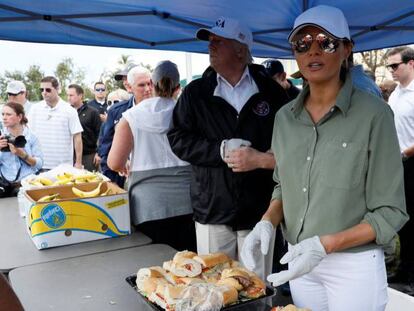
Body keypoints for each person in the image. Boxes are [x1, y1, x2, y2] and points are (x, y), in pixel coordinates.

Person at [241, 5, 408, 310]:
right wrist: (267, 221)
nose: (313, 51)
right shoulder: (284, 119)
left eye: (325, 41)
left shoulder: (375, 115)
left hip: (353, 265)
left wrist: (326, 245)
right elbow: (283, 185)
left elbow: (390, 211)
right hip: (299, 258)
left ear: (346, 49)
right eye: (302, 44)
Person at [167, 16, 289, 279]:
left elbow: (290, 143)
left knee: (256, 288)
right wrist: (219, 150)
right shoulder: (196, 92)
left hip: (260, 209)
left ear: (240, 49)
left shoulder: (272, 92)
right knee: (213, 288)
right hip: (212, 209)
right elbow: (177, 138)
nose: (211, 46)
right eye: (210, 41)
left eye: (218, 41)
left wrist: (261, 157)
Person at [108, 61, 196, 251]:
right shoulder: (189, 114)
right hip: (189, 202)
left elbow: (114, 163)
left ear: (152, 85)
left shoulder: (130, 117)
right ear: (178, 87)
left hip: (147, 207)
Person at [386, 46, 414, 294]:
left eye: (395, 66)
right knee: (403, 219)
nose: (391, 71)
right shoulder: (396, 94)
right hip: (398, 164)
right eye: (389, 67)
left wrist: (405, 152)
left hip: (411, 162)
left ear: (411, 64)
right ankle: (404, 269)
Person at [98, 66, 153, 187]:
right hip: (123, 179)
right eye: (142, 85)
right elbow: (106, 146)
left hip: (153, 178)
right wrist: (111, 178)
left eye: (149, 83)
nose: (148, 89)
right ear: (129, 87)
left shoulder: (163, 110)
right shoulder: (117, 111)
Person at [28, 76, 83, 170]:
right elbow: (29, 135)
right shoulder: (34, 109)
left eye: (48, 90)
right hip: (38, 165)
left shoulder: (69, 110)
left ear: (57, 89)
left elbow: (77, 137)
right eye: (42, 89)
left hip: (63, 167)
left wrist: (78, 163)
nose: (44, 93)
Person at [0, 102, 43, 193]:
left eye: (8, 114)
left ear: (19, 117)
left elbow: (39, 164)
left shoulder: (31, 137)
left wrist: (22, 154)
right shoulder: (1, 136)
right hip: (5, 184)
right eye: (3, 114)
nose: (4, 117)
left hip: (27, 183)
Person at [67, 84, 101, 172]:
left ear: (80, 95)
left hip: (88, 156)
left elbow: (100, 134)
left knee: (87, 184)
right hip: (69, 155)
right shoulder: (66, 112)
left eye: (71, 95)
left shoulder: (92, 112)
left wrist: (99, 153)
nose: (68, 98)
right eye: (68, 95)